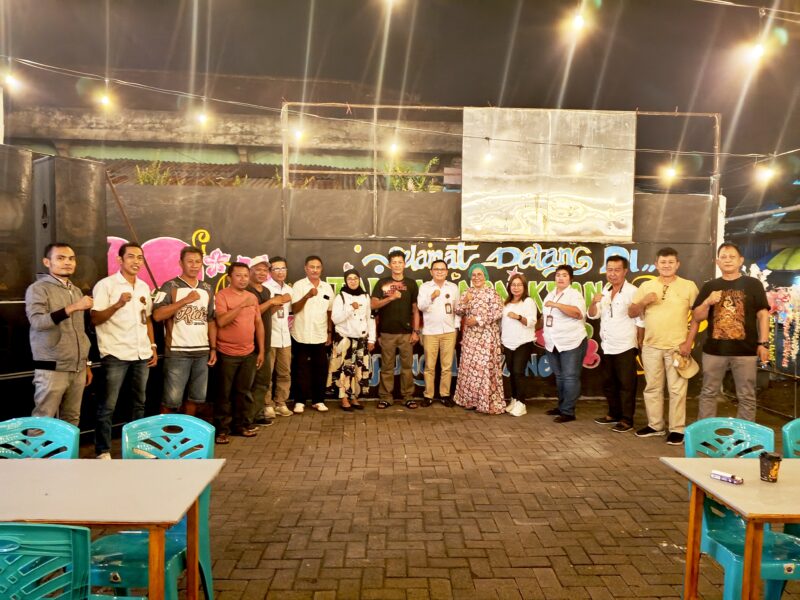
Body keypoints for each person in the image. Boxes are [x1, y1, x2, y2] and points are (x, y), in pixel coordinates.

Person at [91, 242, 158, 459]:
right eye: (131, 256)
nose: (136, 261)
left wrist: (153, 346)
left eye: (140, 257)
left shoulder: (143, 286)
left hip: (141, 353)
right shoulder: (106, 285)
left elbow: (147, 318)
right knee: (108, 406)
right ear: (119, 260)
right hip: (115, 353)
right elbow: (94, 318)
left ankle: (136, 447)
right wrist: (118, 304)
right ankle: (103, 450)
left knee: (139, 404)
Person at [692, 242, 770, 421]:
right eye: (723, 257)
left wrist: (763, 343)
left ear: (740, 260)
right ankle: (705, 432)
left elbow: (763, 315)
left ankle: (744, 435)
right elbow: (697, 316)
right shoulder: (710, 286)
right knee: (708, 393)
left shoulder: (753, 284)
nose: (727, 260)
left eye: (732, 257)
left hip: (746, 350)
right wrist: (707, 302)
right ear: (717, 262)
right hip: (714, 351)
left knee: (747, 396)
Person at [629, 247, 699, 445]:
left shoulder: (689, 286)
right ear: (656, 264)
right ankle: (655, 425)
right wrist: (643, 301)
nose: (666, 265)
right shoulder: (646, 286)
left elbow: (697, 317)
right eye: (663, 262)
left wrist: (688, 342)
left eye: (670, 262)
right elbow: (632, 312)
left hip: (677, 347)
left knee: (677, 390)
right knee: (652, 388)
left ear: (677, 264)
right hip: (651, 346)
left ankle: (677, 429)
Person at [25, 242, 93, 426]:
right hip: (51, 368)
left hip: (77, 368)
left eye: (71, 259)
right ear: (47, 262)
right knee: (43, 421)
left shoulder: (76, 290)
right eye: (61, 258)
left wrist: (86, 363)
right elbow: (37, 322)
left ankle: (68, 449)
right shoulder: (38, 289)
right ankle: (37, 448)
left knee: (72, 420)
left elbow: (80, 331)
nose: (67, 262)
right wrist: (73, 307)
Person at [152, 246, 217, 416]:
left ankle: (188, 431)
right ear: (181, 263)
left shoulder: (207, 288)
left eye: (198, 262)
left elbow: (211, 320)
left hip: (202, 351)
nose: (194, 265)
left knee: (196, 397)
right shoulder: (170, 286)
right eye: (190, 261)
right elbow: (157, 315)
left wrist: (213, 348)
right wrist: (185, 301)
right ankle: (166, 431)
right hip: (177, 351)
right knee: (171, 399)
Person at [588, 255, 643, 433]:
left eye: (617, 270)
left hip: (626, 344)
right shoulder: (605, 290)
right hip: (607, 344)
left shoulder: (633, 291)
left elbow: (641, 320)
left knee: (626, 384)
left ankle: (627, 419)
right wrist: (593, 302)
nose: (612, 273)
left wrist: (640, 342)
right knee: (609, 383)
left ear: (625, 271)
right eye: (609, 270)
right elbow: (593, 315)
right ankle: (613, 414)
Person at [214, 261, 265, 444]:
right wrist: (242, 305)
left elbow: (258, 324)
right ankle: (222, 430)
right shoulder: (222, 296)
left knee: (243, 392)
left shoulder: (252, 297)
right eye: (238, 275)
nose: (243, 279)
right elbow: (221, 321)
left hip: (249, 353)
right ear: (229, 277)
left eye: (245, 275)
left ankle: (240, 426)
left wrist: (261, 350)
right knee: (224, 394)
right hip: (226, 353)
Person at [371, 250, 421, 410]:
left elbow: (415, 310)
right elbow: (373, 304)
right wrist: (391, 298)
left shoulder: (411, 284)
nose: (397, 265)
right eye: (394, 262)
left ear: (404, 264)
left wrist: (416, 331)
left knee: (407, 368)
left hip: (406, 334)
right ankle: (386, 397)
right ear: (389, 265)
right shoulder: (382, 283)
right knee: (387, 367)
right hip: (387, 333)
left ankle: (408, 397)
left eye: (400, 262)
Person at [453, 263, 505, 414]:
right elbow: (458, 311)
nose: (476, 277)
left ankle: (485, 402)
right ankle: (470, 400)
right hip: (470, 338)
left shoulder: (492, 293)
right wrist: (465, 301)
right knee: (470, 369)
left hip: (487, 338)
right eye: (474, 275)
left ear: (485, 276)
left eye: (479, 274)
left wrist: (478, 320)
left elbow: (498, 312)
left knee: (484, 369)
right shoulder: (467, 292)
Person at [542, 265, 587, 423]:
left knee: (570, 377)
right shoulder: (550, 294)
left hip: (571, 342)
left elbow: (577, 313)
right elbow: (545, 318)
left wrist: (557, 305)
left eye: (564, 275)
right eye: (558, 275)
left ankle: (568, 412)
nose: (560, 278)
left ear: (571, 279)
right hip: (552, 342)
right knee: (560, 377)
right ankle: (561, 407)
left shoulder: (574, 295)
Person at [291, 255, 334, 413]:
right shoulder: (298, 285)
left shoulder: (327, 288)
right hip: (300, 334)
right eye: (312, 267)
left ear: (321, 269)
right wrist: (307, 296)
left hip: (320, 335)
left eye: (318, 267)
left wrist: (329, 332)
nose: (315, 270)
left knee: (320, 370)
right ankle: (299, 401)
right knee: (300, 370)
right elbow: (294, 309)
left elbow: (329, 312)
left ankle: (318, 400)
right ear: (306, 268)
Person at [328, 268, 375, 411]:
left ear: (359, 280)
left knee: (357, 370)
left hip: (360, 339)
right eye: (349, 279)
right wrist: (350, 309)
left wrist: (371, 339)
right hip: (345, 339)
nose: (353, 281)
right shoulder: (341, 297)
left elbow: (369, 318)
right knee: (345, 370)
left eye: (355, 278)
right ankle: (344, 399)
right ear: (345, 281)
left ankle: (354, 397)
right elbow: (335, 319)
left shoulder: (365, 296)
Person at [417, 259, 460, 407]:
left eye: (442, 269)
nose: (439, 272)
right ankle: (428, 395)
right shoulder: (425, 287)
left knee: (447, 366)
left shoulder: (453, 287)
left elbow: (458, 309)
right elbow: (421, 306)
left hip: (449, 331)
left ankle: (445, 395)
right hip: (430, 332)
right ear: (431, 272)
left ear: (446, 272)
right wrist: (432, 297)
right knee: (429, 366)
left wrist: (456, 327)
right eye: (436, 269)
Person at [246, 255, 281, 426]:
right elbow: (251, 314)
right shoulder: (246, 290)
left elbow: (264, 314)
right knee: (249, 383)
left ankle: (257, 414)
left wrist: (275, 305)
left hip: (265, 343)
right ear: (250, 271)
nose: (262, 273)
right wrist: (272, 302)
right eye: (258, 269)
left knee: (263, 382)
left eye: (265, 270)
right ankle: (246, 418)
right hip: (249, 345)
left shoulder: (266, 291)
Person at [501, 273, 537, 416]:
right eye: (513, 285)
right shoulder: (506, 303)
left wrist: (518, 317)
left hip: (523, 342)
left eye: (519, 285)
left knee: (518, 372)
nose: (516, 288)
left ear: (524, 287)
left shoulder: (528, 301)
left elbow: (531, 322)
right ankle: (515, 399)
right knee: (511, 372)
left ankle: (522, 404)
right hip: (508, 342)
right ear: (509, 287)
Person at [264, 256, 294, 418]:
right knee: (267, 373)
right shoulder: (265, 288)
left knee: (285, 372)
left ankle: (281, 402)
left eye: (283, 268)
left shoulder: (289, 289)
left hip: (285, 337)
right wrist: (279, 301)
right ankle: (267, 404)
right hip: (269, 336)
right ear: (270, 271)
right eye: (276, 269)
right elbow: (262, 314)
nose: (280, 272)